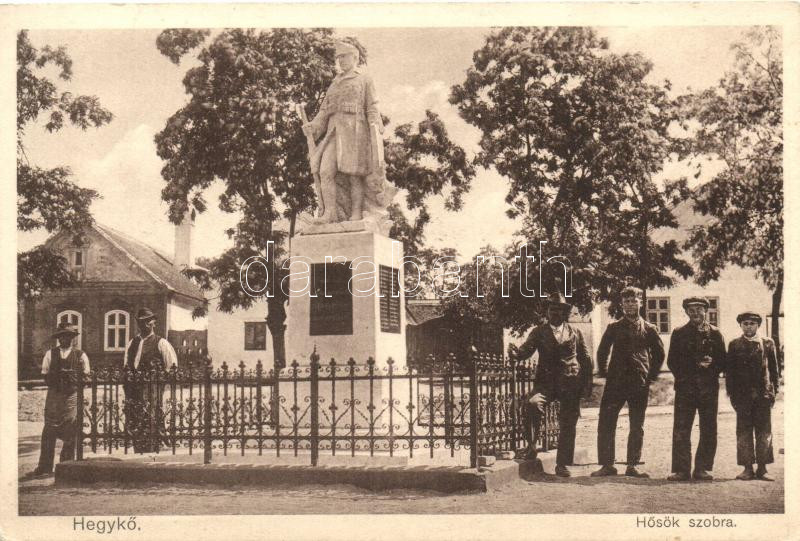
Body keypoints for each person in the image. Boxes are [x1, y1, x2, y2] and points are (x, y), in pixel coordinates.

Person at [303, 40, 392, 224]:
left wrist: (375, 129)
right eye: (338, 58)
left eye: (344, 56)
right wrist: (313, 126)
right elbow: (324, 110)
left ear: (355, 57)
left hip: (355, 132)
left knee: (354, 175)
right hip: (334, 132)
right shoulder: (334, 83)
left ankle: (356, 213)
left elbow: (372, 106)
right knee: (324, 171)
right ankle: (330, 213)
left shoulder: (364, 79)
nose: (340, 60)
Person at [510, 292, 593, 477]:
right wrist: (515, 353)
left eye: (559, 309)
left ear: (565, 312)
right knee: (533, 404)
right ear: (546, 312)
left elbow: (586, 358)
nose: (555, 312)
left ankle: (562, 464)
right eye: (552, 309)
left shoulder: (575, 332)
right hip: (545, 384)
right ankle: (532, 446)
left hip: (570, 383)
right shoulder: (539, 332)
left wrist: (587, 384)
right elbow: (526, 350)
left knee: (568, 421)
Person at [592, 287, 664, 478]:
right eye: (626, 302)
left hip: (639, 383)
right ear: (622, 304)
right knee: (607, 421)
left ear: (641, 303)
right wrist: (605, 373)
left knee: (637, 425)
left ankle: (633, 465)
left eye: (634, 301)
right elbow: (602, 351)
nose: (630, 305)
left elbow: (659, 354)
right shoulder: (613, 327)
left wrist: (650, 376)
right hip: (615, 382)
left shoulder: (649, 328)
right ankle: (607, 465)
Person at [666, 297, 726, 481]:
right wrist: (693, 367)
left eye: (699, 309)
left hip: (708, 389)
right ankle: (681, 470)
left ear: (706, 311)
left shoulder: (715, 333)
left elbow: (723, 361)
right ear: (686, 312)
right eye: (691, 310)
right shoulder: (679, 332)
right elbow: (672, 361)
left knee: (708, 428)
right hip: (686, 388)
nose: (695, 313)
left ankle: (702, 468)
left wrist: (712, 366)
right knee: (681, 429)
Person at [32, 322, 90, 476]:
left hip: (72, 396)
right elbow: (45, 375)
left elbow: (86, 376)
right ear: (58, 338)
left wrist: (74, 379)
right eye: (62, 336)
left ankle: (66, 465)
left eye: (68, 336)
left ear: (73, 338)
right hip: (54, 396)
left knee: (71, 427)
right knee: (49, 429)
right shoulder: (50, 354)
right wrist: (56, 379)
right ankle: (45, 466)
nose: (65, 339)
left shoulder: (81, 355)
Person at [726, 312, 779, 481]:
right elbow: (730, 372)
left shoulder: (768, 343)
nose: (749, 327)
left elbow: (774, 370)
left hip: (763, 395)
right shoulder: (734, 344)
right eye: (745, 323)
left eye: (752, 323)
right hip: (742, 397)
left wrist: (773, 392)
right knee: (744, 432)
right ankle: (747, 468)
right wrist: (732, 395)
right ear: (741, 325)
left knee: (764, 432)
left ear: (758, 325)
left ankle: (762, 468)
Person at [123, 308, 177, 453]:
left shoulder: (161, 343)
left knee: (152, 413)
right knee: (135, 415)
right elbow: (126, 365)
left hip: (152, 387)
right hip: (134, 387)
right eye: (141, 322)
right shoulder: (132, 343)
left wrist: (160, 382)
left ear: (153, 323)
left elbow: (172, 367)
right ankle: (138, 445)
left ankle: (156, 444)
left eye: (148, 321)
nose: (145, 325)